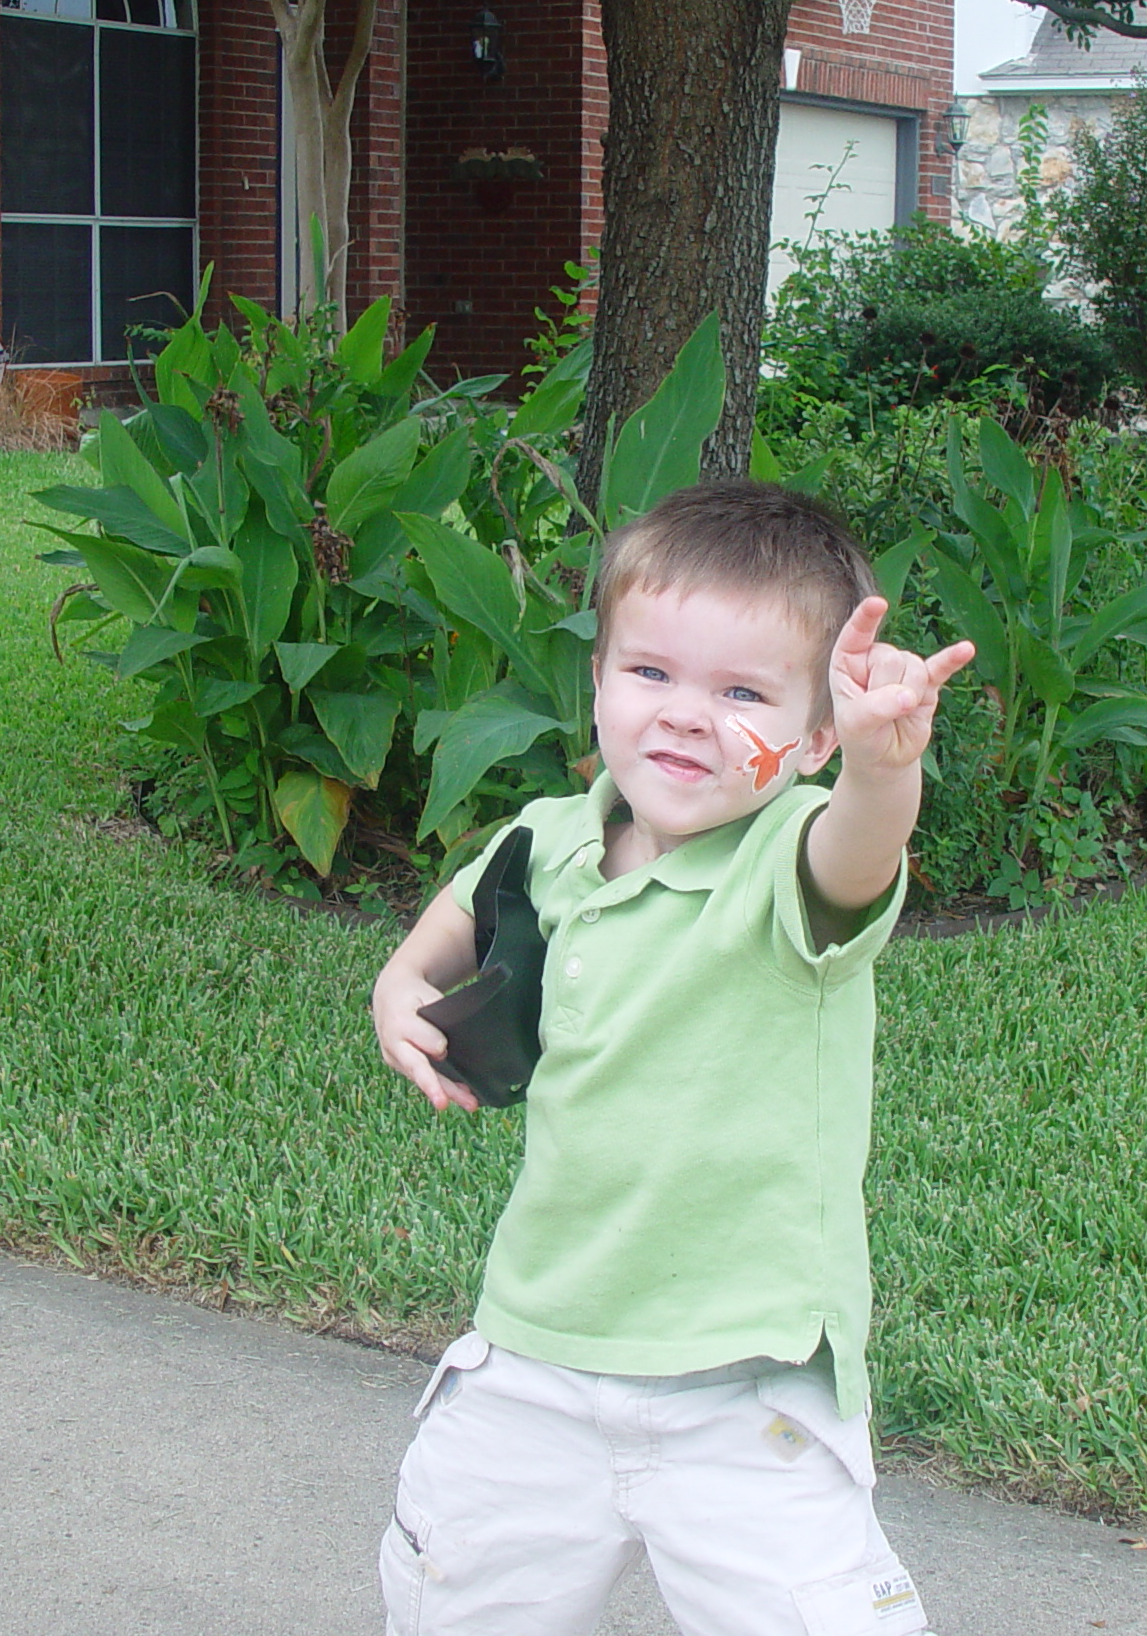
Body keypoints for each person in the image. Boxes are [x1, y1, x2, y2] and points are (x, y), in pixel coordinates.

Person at [369, 479, 973, 1636]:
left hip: (744, 1389)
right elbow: (455, 916)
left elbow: (856, 855)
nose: (686, 714)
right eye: (649, 673)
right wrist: (400, 986)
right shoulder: (547, 836)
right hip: (536, 1354)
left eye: (741, 691)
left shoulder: (787, 859)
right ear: (596, 678)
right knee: (453, 1606)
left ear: (807, 740)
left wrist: (881, 769)